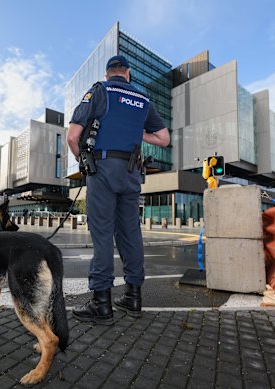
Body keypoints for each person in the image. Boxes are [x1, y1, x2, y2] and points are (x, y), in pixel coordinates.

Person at [67, 55, 170, 325]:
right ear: (128, 72)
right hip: (131, 172)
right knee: (130, 233)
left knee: (102, 233)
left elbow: (72, 136)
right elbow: (163, 138)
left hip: (103, 169)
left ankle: (102, 303)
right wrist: (139, 133)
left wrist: (84, 163)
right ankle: (133, 297)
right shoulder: (143, 99)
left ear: (108, 72)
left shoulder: (100, 91)